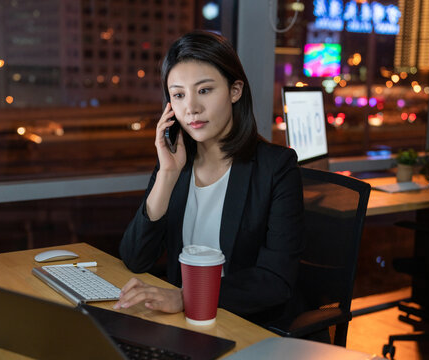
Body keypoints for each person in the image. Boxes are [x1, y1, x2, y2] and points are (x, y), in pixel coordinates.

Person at [115, 30, 304, 326]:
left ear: (235, 90)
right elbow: (135, 258)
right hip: (185, 323)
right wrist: (167, 174)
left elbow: (275, 280)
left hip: (247, 324)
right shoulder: (176, 162)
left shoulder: (276, 167)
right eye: (178, 95)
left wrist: (186, 297)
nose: (191, 108)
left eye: (204, 90)